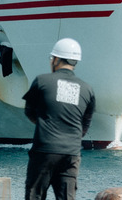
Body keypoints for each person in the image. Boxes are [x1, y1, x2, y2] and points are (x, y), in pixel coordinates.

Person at [22, 38, 96, 200]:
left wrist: (45, 126)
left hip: (44, 150)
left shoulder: (42, 81)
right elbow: (85, 124)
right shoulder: (87, 89)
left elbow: (29, 111)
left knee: (35, 195)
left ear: (55, 59)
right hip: (71, 153)